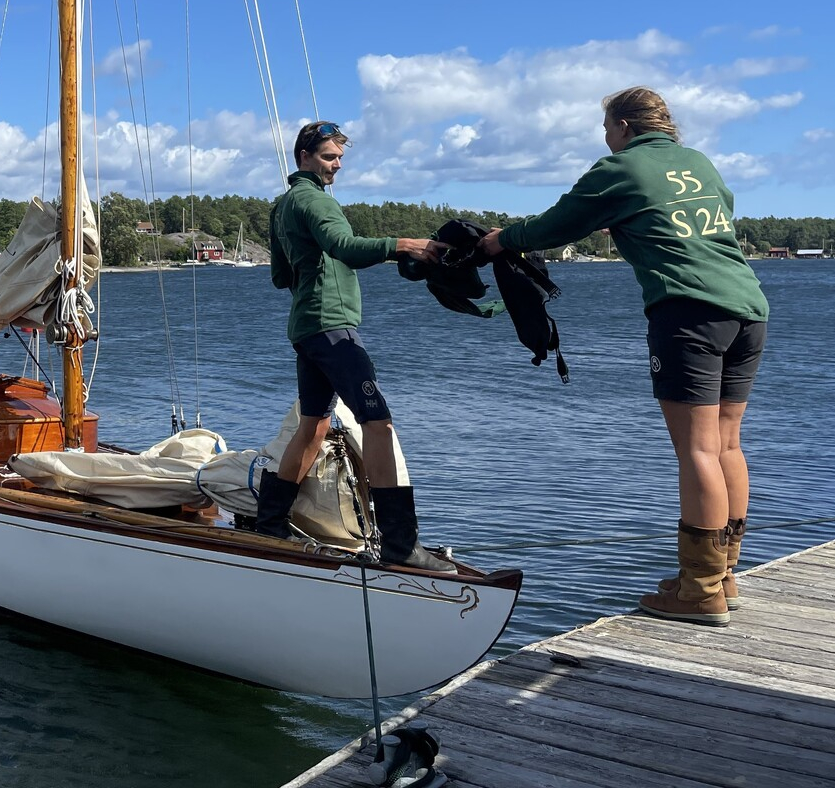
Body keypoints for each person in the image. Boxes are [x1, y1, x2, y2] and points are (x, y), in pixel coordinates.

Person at [479, 87, 768, 626]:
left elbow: (558, 224)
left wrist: (502, 240)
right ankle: (721, 575)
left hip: (688, 311)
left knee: (697, 450)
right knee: (727, 442)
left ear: (626, 126)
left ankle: (700, 591)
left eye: (607, 127)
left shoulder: (620, 168)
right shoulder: (698, 162)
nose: (606, 137)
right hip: (749, 308)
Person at [259, 120, 448, 569]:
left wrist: (314, 270)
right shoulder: (315, 200)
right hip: (332, 329)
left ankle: (269, 525)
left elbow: (281, 276)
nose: (337, 165)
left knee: (313, 427)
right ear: (304, 156)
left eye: (340, 157)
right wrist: (404, 245)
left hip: (306, 328)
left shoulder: (282, 206)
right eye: (329, 157)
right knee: (378, 424)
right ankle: (401, 546)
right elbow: (344, 245)